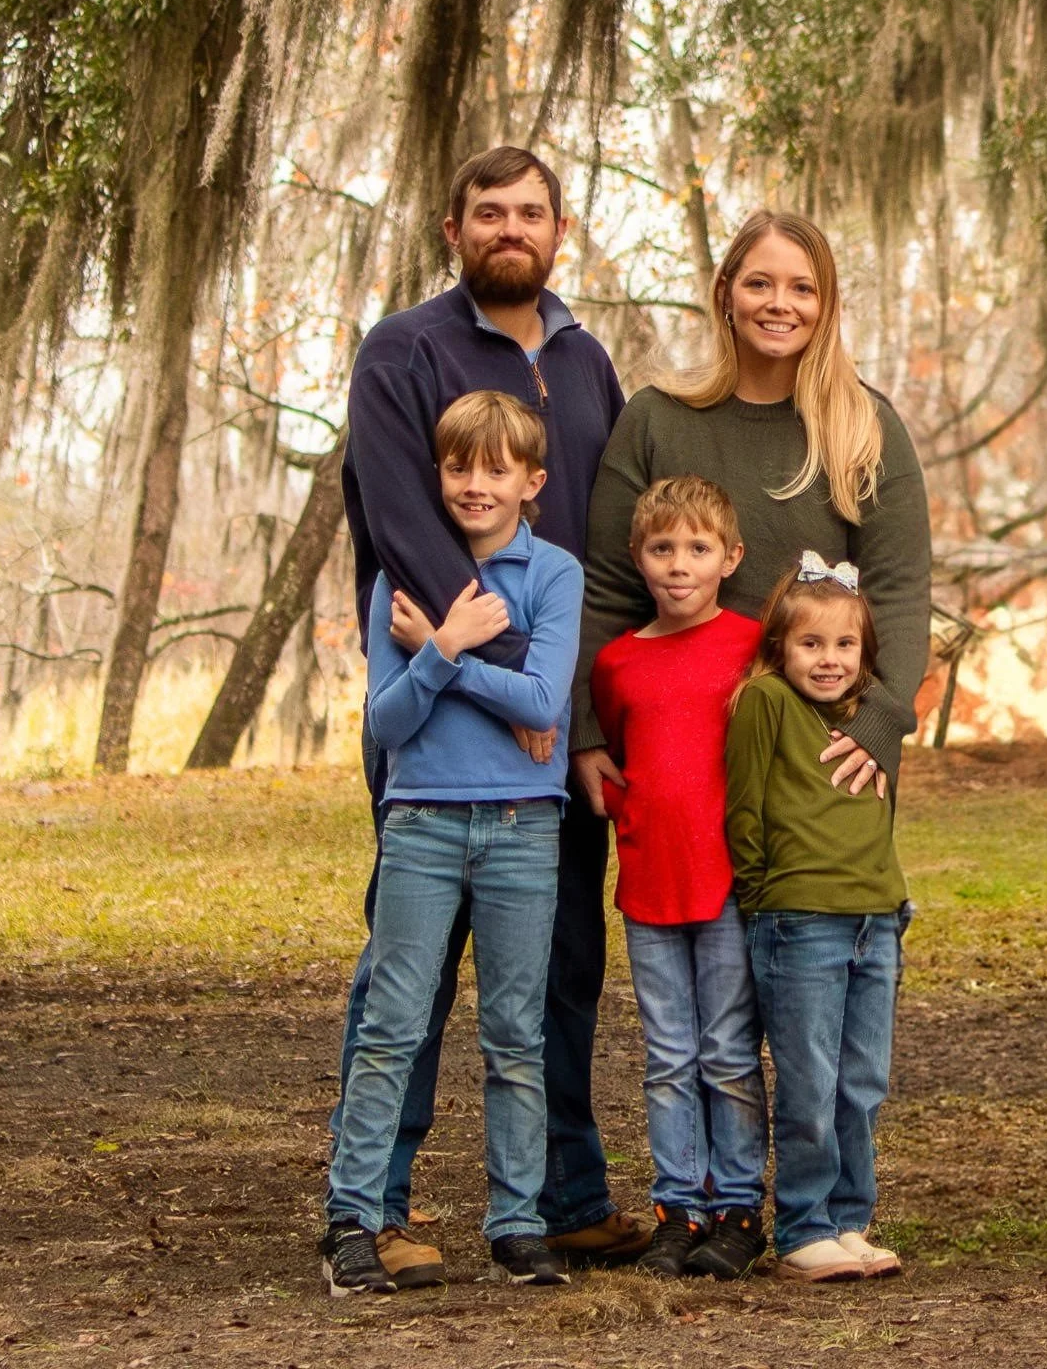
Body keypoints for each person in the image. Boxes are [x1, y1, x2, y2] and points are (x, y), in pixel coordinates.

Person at [337, 146, 647, 1287]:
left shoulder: (583, 356)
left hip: (556, 730)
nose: (510, 227)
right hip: (447, 721)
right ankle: (380, 1206)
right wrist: (518, 677)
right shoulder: (405, 351)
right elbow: (404, 532)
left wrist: (573, 709)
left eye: (531, 212)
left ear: (561, 229)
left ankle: (562, 1197)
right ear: (453, 226)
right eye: (489, 211)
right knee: (409, 974)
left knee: (560, 959)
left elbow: (601, 543)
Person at [323, 391, 581, 1293]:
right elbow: (389, 725)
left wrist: (445, 648)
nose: (476, 485)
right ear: (436, 475)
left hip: (523, 827)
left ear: (531, 481)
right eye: (459, 467)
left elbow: (545, 702)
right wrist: (439, 649)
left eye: (496, 469)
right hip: (424, 822)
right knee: (391, 1028)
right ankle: (354, 1216)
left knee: (515, 1035)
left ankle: (517, 1222)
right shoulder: (401, 577)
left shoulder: (553, 575)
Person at [572, 209, 931, 821]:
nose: (779, 304)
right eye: (759, 283)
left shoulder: (865, 426)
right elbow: (607, 588)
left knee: (818, 916)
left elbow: (896, 592)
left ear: (826, 304)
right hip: (682, 743)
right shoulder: (656, 419)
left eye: (802, 288)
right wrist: (585, 727)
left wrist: (880, 721)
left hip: (826, 742)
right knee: (685, 916)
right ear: (726, 293)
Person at [589, 476, 768, 1281]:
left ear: (729, 557)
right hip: (649, 885)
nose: (679, 565)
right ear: (638, 558)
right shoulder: (618, 662)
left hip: (727, 883)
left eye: (698, 548)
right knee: (667, 1055)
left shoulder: (754, 647)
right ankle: (676, 1207)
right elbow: (617, 759)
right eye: (662, 549)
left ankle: (735, 1208)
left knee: (727, 1051)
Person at [725, 556, 911, 1283]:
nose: (828, 660)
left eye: (843, 646)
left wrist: (887, 901)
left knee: (863, 1080)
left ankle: (848, 1217)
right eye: (810, 644)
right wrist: (763, 894)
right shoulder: (766, 701)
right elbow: (744, 809)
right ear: (780, 647)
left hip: (876, 916)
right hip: (799, 920)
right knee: (811, 1078)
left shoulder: (872, 719)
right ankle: (803, 1224)